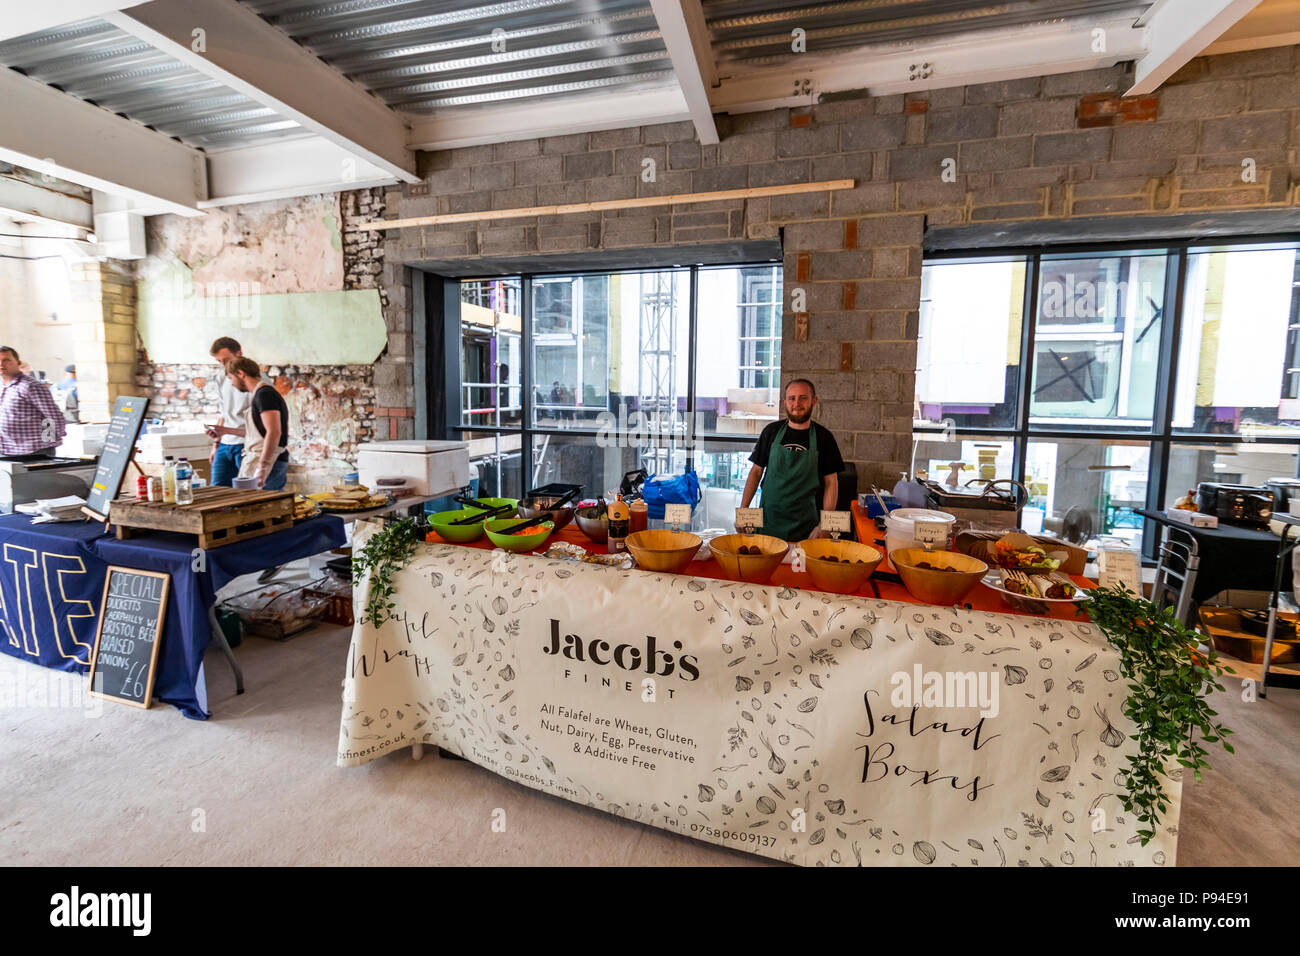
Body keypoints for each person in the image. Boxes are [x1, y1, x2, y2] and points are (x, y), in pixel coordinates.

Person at [739, 378, 845, 541]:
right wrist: (744, 509)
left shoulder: (824, 437)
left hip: (805, 526)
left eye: (803, 398)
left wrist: (825, 524)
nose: (797, 403)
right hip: (769, 521)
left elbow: (832, 482)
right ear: (784, 402)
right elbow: (756, 472)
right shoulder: (771, 432)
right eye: (792, 398)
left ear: (813, 401)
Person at [210, 357, 290, 490]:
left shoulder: (265, 395)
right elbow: (259, 433)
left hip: (270, 460)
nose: (231, 383)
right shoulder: (258, 395)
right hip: (260, 457)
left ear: (241, 374)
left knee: (267, 507)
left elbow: (274, 432)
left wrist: (262, 466)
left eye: (231, 378)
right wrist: (225, 431)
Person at [0, 346, 67, 459]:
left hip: (33, 451)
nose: (2, 364)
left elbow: (53, 416)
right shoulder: (2, 386)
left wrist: (47, 443)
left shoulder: (30, 386)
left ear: (18, 363)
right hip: (7, 450)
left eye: (6, 360)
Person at [207, 337, 251, 486]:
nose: (223, 365)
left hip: (247, 444)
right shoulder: (221, 377)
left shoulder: (257, 381)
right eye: (219, 361)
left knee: (248, 494)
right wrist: (216, 444)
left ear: (239, 353)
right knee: (216, 492)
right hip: (225, 444)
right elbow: (224, 413)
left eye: (226, 360)